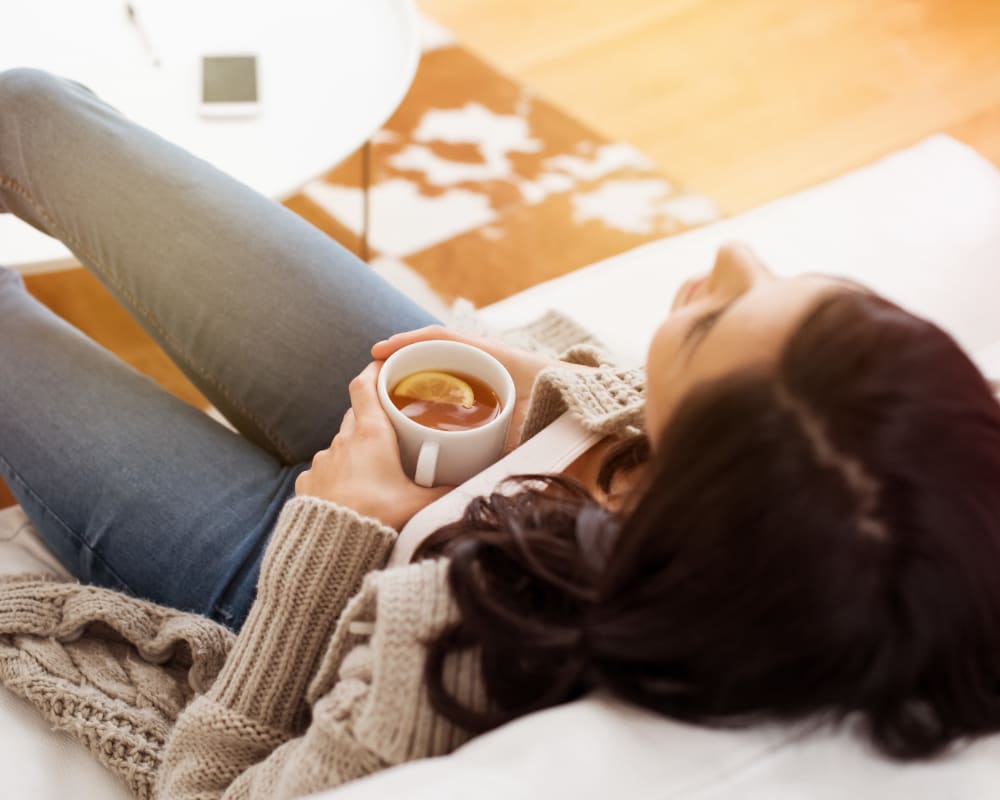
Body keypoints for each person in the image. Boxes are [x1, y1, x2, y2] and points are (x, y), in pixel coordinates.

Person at [1, 67, 999, 799]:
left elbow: (216, 787)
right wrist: (557, 402)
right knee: (31, 112)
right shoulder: (871, 491)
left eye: (709, 321)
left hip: (304, 575)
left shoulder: (453, 656)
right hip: (460, 434)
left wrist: (332, 531)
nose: (735, 251)